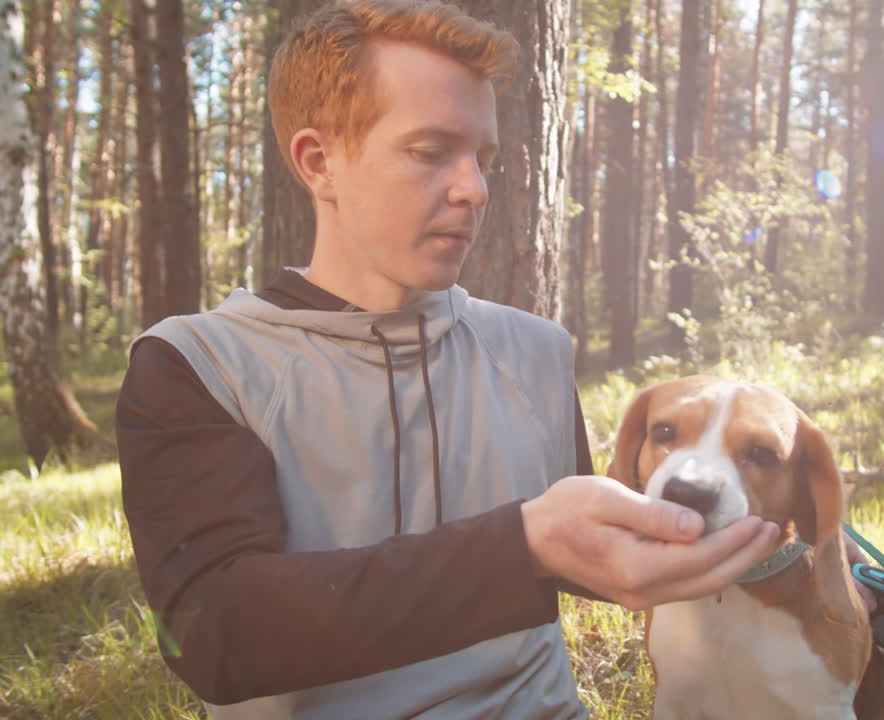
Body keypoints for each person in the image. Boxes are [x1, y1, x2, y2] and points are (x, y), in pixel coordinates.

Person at [115, 1, 785, 718]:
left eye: (483, 159)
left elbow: (592, 552)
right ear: (319, 163)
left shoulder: (536, 350)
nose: (474, 189)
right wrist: (522, 546)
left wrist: (771, 534)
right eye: (431, 152)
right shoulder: (198, 366)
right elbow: (211, 635)